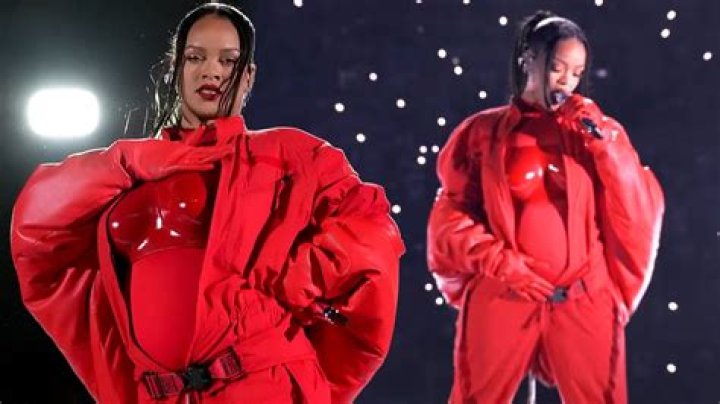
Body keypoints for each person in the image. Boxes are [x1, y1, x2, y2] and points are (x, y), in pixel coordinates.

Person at [10, 3, 404, 403]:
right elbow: (37, 229)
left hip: (260, 384)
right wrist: (124, 161)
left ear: (248, 77)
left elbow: (371, 228)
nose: (211, 71)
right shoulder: (131, 170)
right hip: (158, 394)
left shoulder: (288, 154)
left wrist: (296, 280)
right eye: (195, 57)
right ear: (175, 69)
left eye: (228, 61)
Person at [427, 10, 664, 403]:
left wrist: (602, 139)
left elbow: (635, 199)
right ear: (529, 60)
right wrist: (499, 261)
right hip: (504, 293)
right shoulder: (481, 133)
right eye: (557, 68)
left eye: (577, 72)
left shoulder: (595, 132)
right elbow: (450, 216)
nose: (567, 82)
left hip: (582, 296)